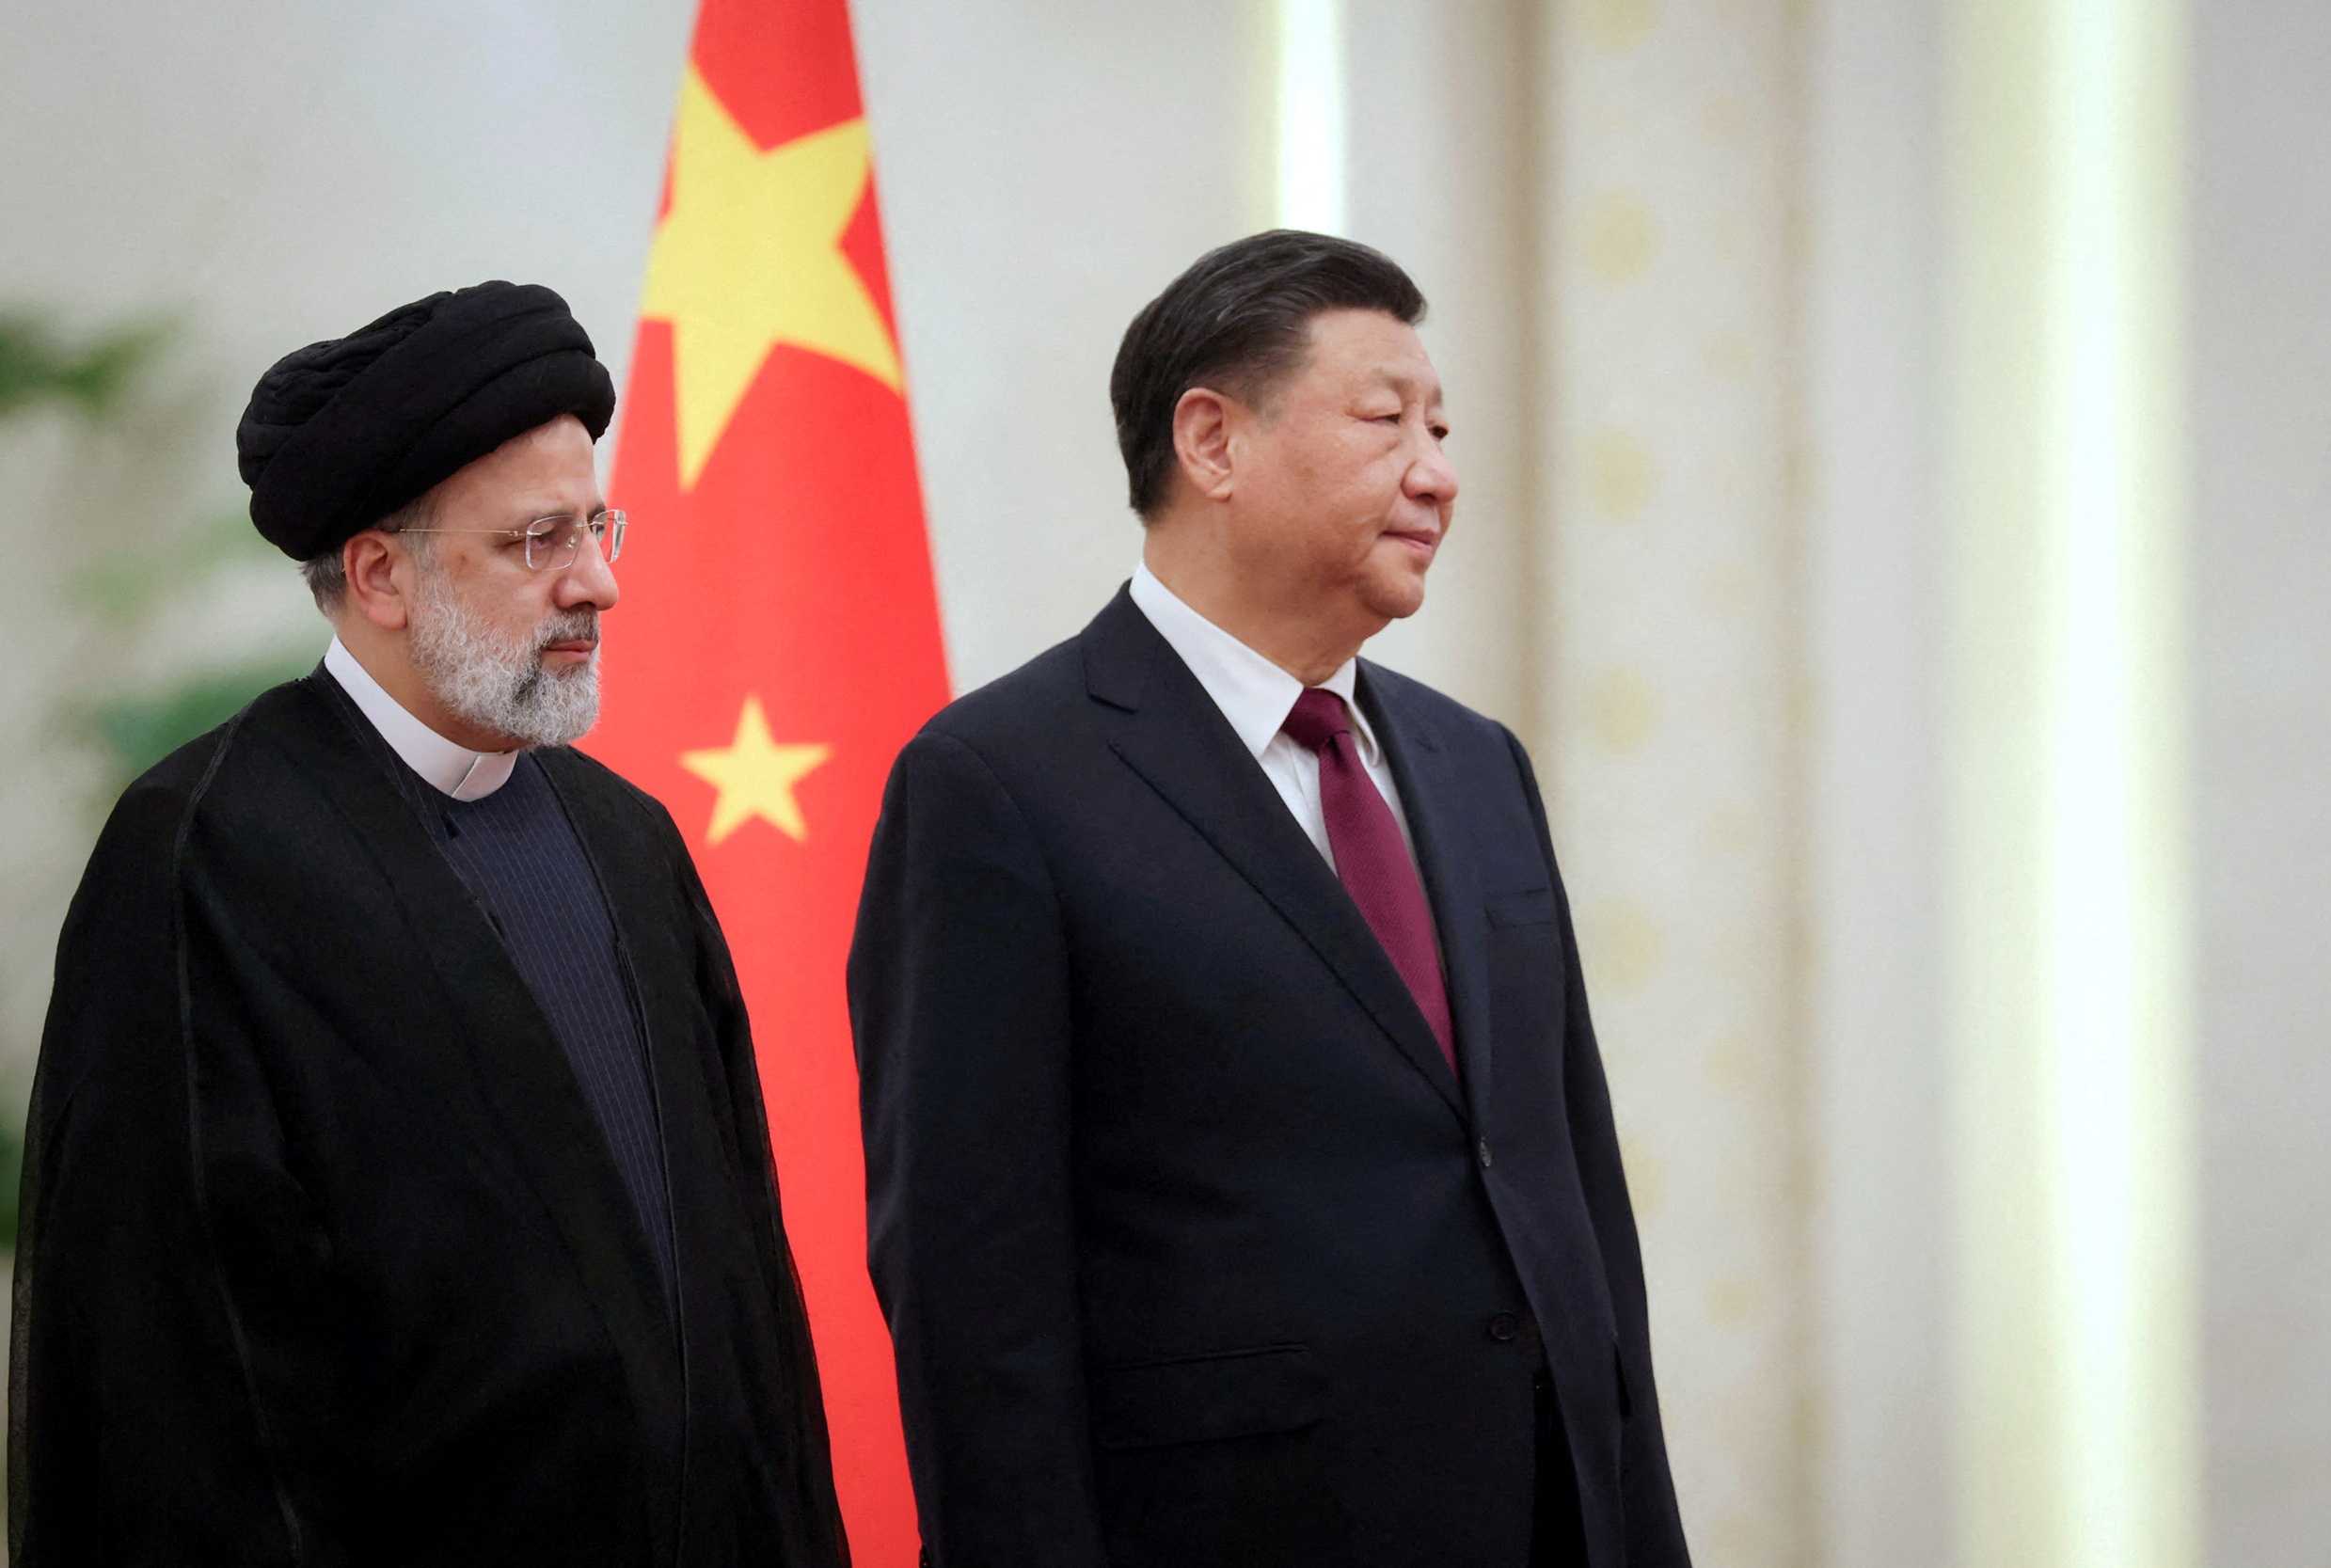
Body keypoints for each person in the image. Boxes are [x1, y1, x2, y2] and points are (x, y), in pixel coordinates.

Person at [850, 232, 1691, 1568]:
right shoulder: (998, 783)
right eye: (1385, 421)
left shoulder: (1478, 765)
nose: (1440, 472)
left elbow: (1571, 1192)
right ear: (1213, 441)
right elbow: (975, 1301)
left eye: (1443, 427)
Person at [12, 281, 847, 1567]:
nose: (601, 582)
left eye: (598, 525)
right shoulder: (207, 855)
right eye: (536, 543)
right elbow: (174, 1386)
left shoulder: (627, 839)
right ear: (381, 575)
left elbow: (746, 1305)